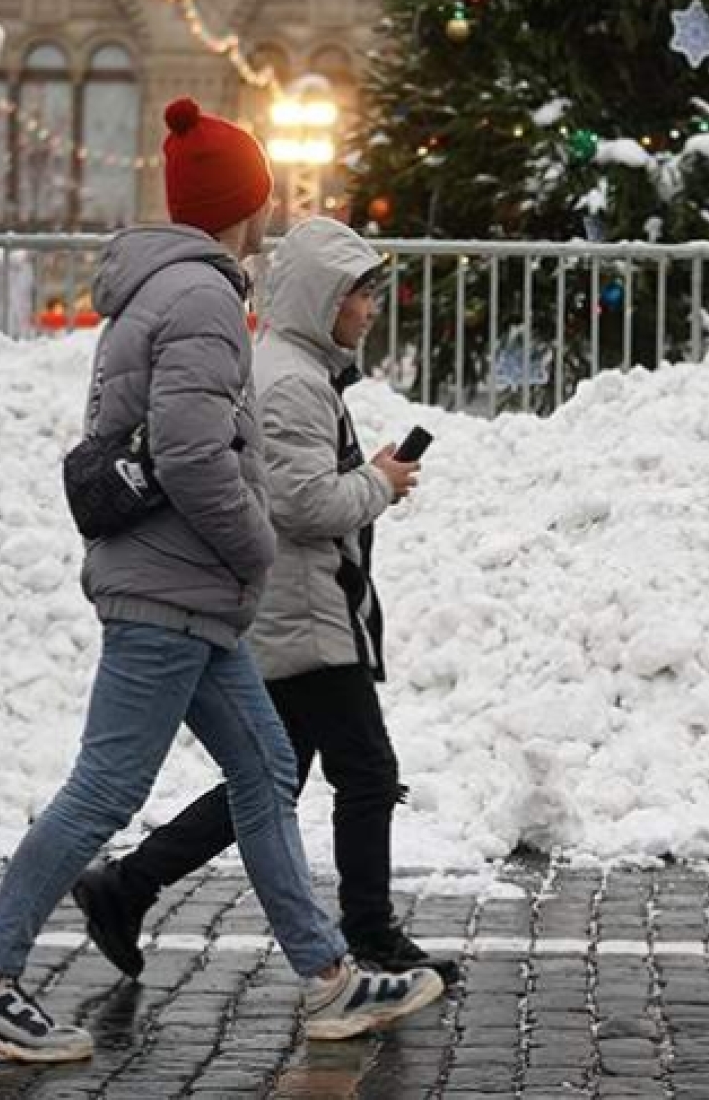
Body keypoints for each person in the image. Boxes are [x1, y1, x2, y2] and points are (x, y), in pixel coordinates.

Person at [0, 98, 443, 1064]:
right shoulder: (203, 296)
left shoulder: (158, 290)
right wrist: (252, 548)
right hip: (175, 589)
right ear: (242, 207)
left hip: (187, 595)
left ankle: (331, 979)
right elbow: (197, 453)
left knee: (264, 772)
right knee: (106, 789)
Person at [71, 216, 458, 985]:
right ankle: (371, 936)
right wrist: (379, 481)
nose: (369, 308)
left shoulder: (296, 370)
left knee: (271, 778)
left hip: (300, 611)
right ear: (322, 298)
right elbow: (300, 503)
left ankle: (126, 885)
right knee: (367, 773)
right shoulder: (289, 382)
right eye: (358, 294)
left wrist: (369, 480)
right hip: (303, 616)